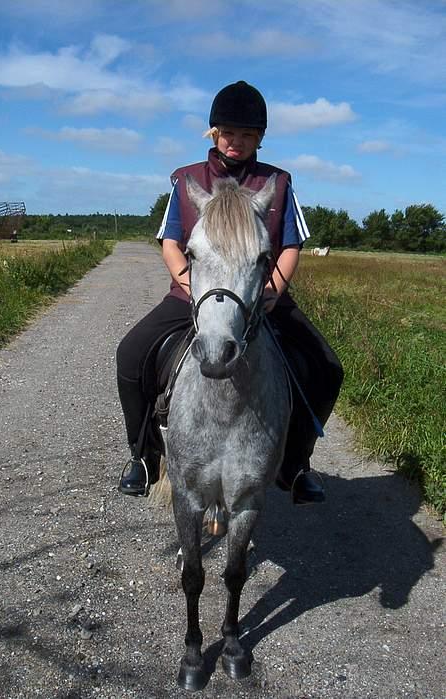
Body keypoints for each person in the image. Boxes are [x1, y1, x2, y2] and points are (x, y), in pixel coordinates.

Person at [116, 80, 343, 502]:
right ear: (213, 133)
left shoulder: (278, 183)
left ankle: (295, 462)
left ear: (259, 138)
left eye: (247, 135)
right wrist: (188, 281)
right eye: (228, 133)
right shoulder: (186, 181)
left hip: (262, 297)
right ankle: (144, 455)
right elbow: (170, 240)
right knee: (130, 355)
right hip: (193, 295)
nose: (236, 142)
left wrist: (274, 289)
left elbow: (291, 244)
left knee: (328, 369)